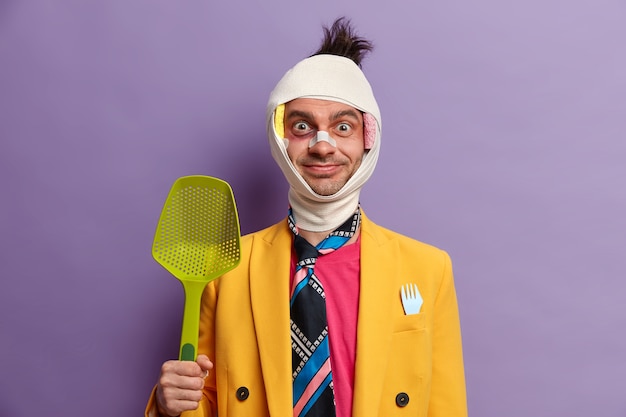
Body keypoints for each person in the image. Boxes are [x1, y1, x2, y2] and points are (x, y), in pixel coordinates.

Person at [146, 17, 467, 417]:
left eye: (343, 126)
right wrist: (167, 406)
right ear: (280, 139)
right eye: (302, 126)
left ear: (368, 138)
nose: (322, 145)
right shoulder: (225, 269)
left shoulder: (427, 269)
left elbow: (446, 406)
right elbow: (204, 403)